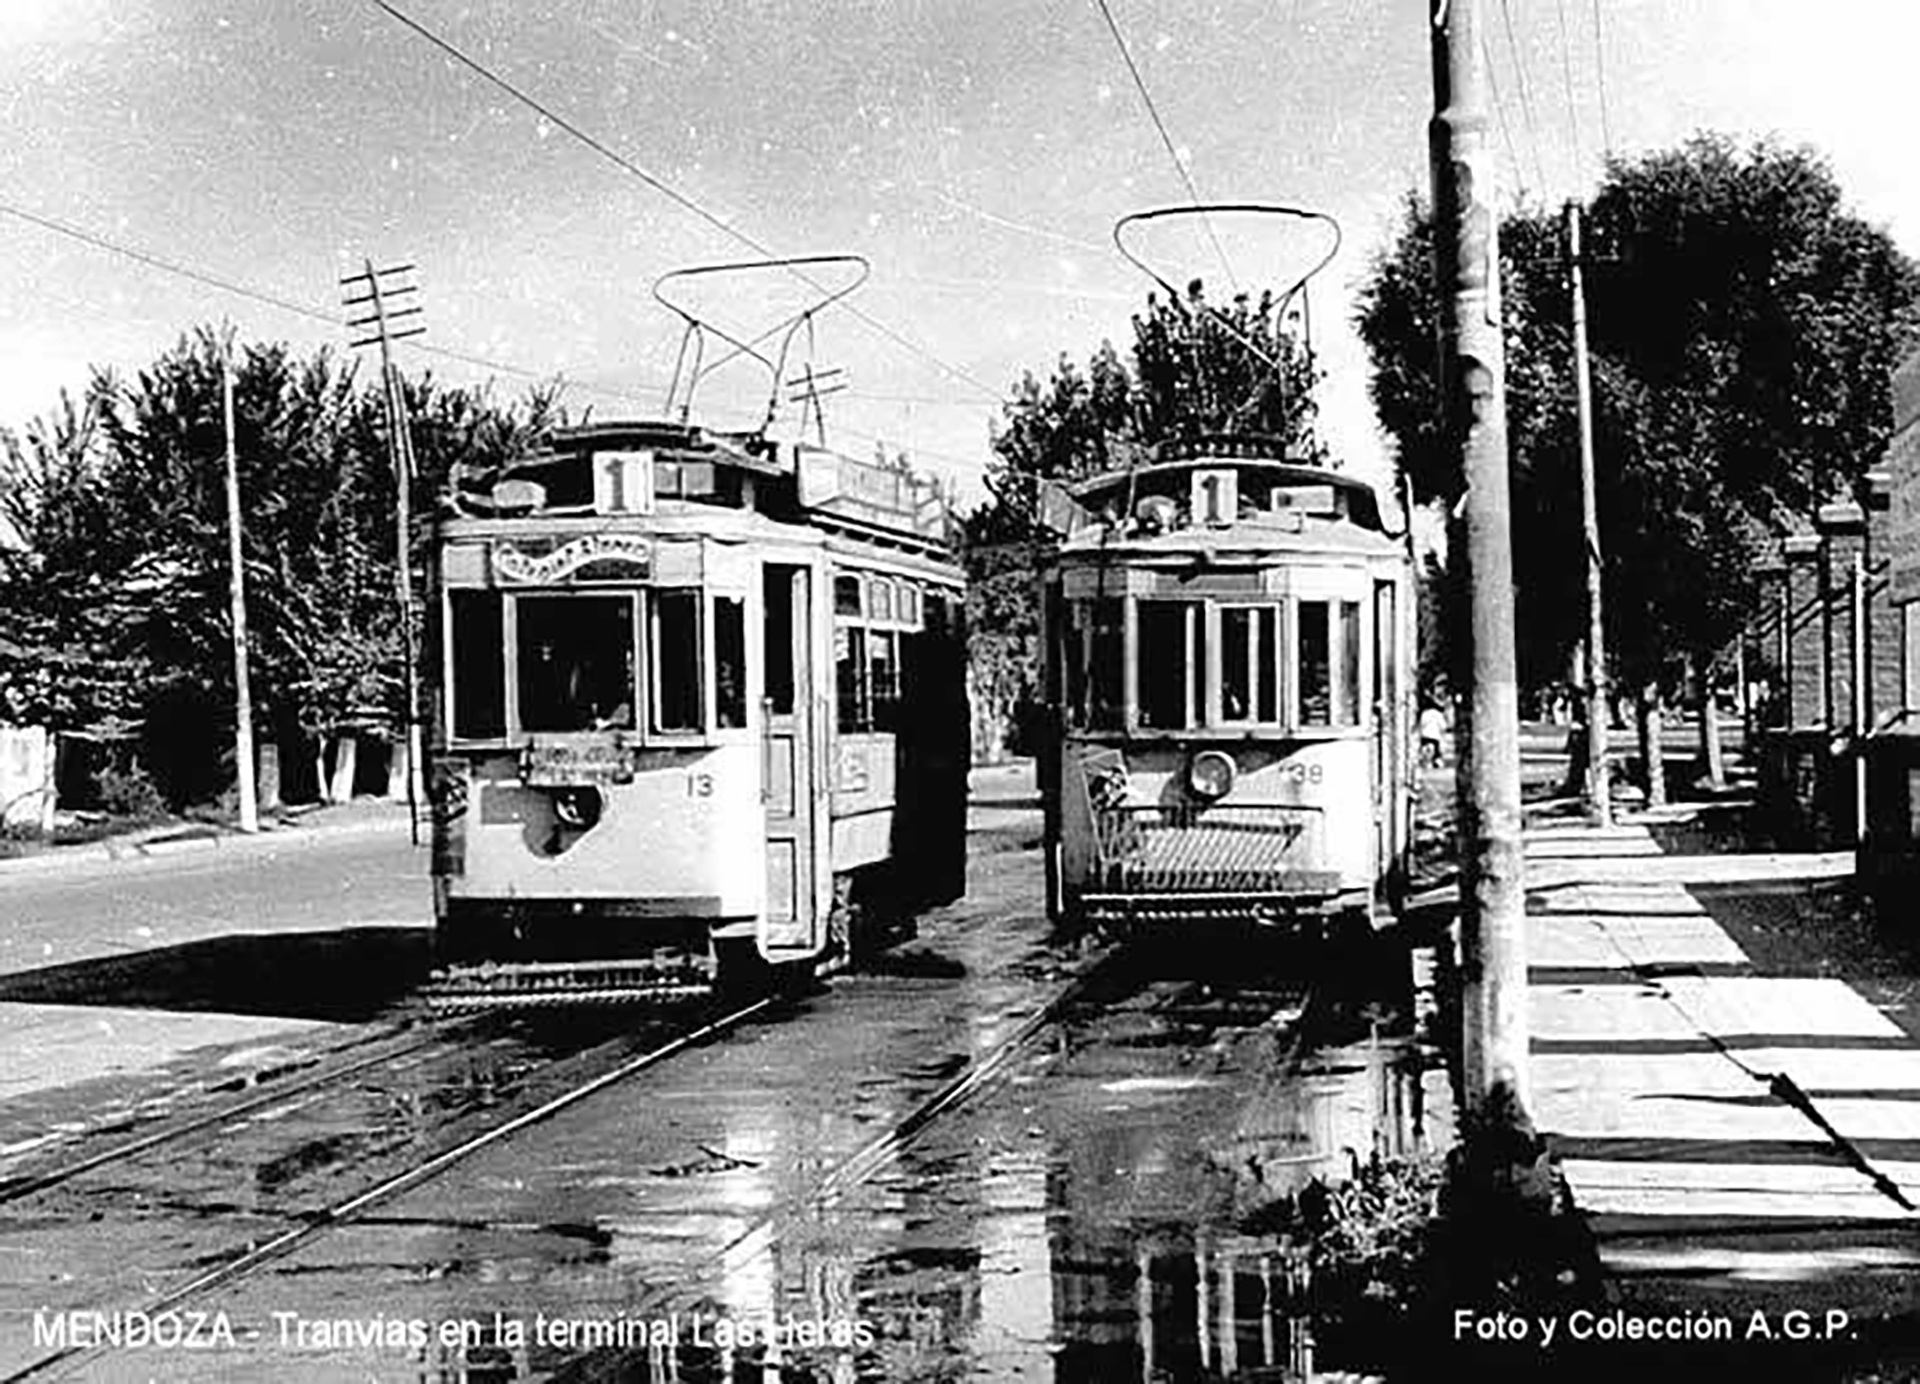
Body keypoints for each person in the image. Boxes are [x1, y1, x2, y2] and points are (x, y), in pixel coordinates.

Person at [1418, 703, 1447, 768]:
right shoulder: (1439, 714)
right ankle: (1436, 761)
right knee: (1436, 753)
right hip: (1435, 737)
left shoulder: (1424, 713)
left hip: (1425, 736)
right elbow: (1443, 726)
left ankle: (1425, 761)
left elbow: (1422, 724)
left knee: (1425, 750)